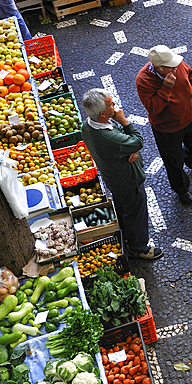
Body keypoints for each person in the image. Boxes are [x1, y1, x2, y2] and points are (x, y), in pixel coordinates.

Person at [80, 89, 163, 260]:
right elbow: (138, 140)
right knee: (136, 212)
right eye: (111, 105)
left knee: (124, 208)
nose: (115, 107)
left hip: (113, 177)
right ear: (103, 113)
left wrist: (130, 149)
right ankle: (139, 248)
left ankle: (126, 234)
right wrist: (125, 122)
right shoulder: (109, 138)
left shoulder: (88, 125)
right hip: (128, 180)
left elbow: (126, 140)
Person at [135, 46, 192, 205]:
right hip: (167, 128)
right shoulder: (143, 80)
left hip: (190, 116)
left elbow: (190, 76)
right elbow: (153, 108)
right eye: (170, 66)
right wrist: (166, 88)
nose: (175, 68)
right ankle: (182, 190)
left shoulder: (177, 65)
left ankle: (188, 157)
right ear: (159, 68)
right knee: (174, 163)